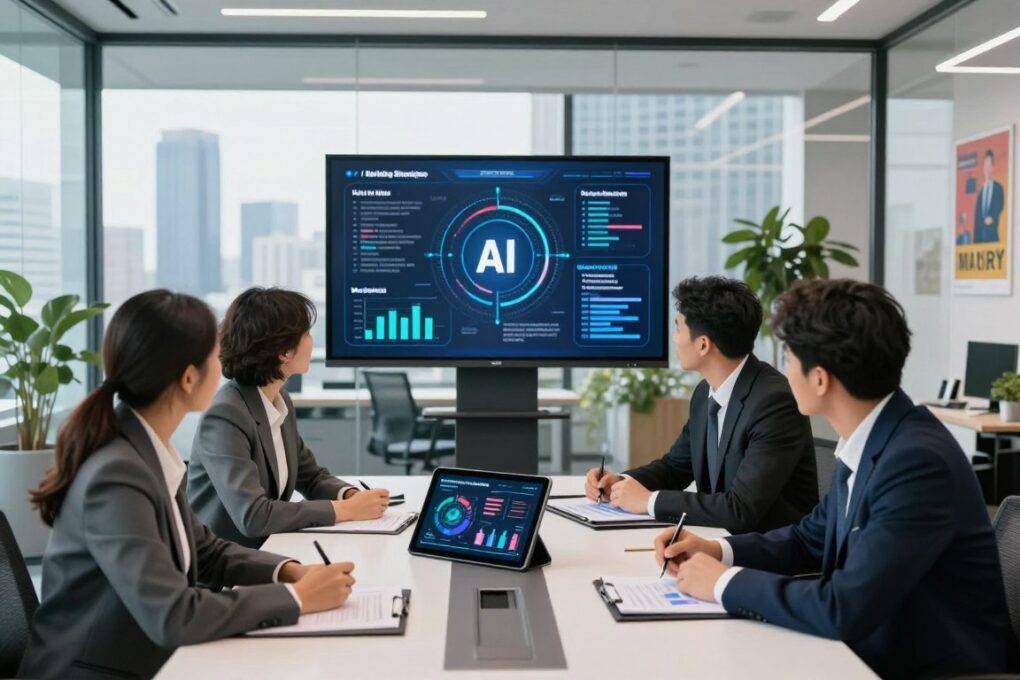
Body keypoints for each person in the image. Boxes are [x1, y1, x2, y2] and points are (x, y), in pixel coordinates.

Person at [656, 279, 1013, 679]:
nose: (782, 372)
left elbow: (844, 608)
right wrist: (717, 550)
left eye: (789, 358)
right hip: (864, 653)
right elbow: (809, 538)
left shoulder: (917, 463)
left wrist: (725, 583)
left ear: (820, 378)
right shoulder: (873, 436)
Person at [19, 290, 356, 680]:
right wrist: (295, 599)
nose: (225, 364)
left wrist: (289, 571)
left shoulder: (145, 448)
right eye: (215, 355)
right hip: (98, 670)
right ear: (189, 377)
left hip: (145, 655)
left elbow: (206, 552)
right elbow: (173, 615)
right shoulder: (116, 475)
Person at [585, 276, 817, 532]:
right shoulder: (706, 391)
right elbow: (675, 467)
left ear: (703, 344)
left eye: (678, 329)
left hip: (768, 554)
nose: (674, 338)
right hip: (716, 540)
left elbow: (740, 509)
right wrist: (620, 482)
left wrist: (648, 501)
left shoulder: (774, 402)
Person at [187, 287, 390, 548]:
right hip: (227, 571)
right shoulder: (226, 414)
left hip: (270, 547)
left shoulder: (278, 401)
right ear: (283, 351)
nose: (311, 340)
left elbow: (311, 477)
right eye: (305, 334)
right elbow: (253, 516)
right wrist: (346, 510)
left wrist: (351, 495)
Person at [974, 148, 1005, 244]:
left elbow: (1000, 205)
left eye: (989, 165)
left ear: (993, 167)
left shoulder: (998, 188)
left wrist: (992, 218)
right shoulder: (980, 192)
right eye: (985, 165)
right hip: (980, 241)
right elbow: (977, 220)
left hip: (993, 238)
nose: (987, 168)